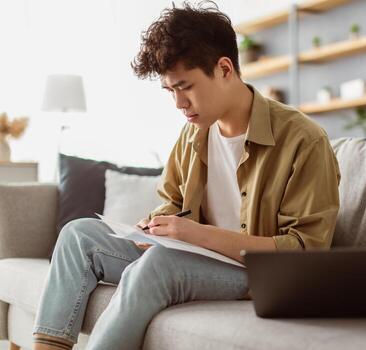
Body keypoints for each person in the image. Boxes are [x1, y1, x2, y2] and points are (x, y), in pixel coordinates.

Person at [32, 1, 340, 349]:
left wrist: (196, 235)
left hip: (256, 273)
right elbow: (172, 203)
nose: (179, 103)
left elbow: (305, 251)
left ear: (225, 69)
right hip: (192, 256)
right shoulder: (194, 135)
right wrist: (154, 228)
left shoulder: (303, 140)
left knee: (161, 264)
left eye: (186, 86)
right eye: (170, 91)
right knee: (78, 236)